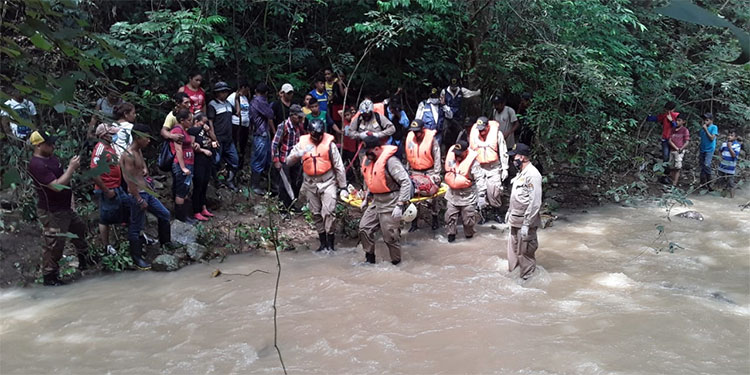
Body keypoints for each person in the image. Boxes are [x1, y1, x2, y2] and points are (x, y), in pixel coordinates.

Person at [27, 130, 87, 285]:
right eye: (49, 144)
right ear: (39, 146)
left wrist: (71, 201)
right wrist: (71, 168)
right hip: (52, 211)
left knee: (80, 230)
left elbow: (65, 182)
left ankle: (85, 260)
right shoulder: (37, 164)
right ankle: (49, 276)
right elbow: (56, 186)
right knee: (54, 244)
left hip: (65, 207)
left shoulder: (51, 158)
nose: (53, 146)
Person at [286, 119, 347, 251]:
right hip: (310, 182)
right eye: (315, 136)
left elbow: (339, 166)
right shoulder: (302, 143)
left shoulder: (330, 145)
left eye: (320, 135)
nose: (318, 138)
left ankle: (330, 244)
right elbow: (288, 161)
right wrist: (298, 154)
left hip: (327, 181)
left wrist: (343, 187)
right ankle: (322, 243)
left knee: (329, 212)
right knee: (316, 213)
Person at [121, 123, 173, 270]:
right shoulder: (129, 154)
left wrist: (144, 171)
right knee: (136, 227)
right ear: (138, 137)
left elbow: (143, 167)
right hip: (137, 194)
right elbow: (129, 180)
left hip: (146, 191)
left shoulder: (138, 151)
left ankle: (165, 244)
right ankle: (137, 258)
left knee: (164, 214)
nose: (149, 141)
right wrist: (138, 198)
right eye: (146, 138)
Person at [359, 136, 412, 265]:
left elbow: (406, 182)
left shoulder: (391, 162)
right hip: (376, 201)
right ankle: (369, 259)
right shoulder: (369, 160)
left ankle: (396, 263)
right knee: (364, 228)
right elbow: (372, 180)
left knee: (390, 236)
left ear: (377, 149)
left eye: (369, 152)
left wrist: (400, 205)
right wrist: (366, 198)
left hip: (392, 200)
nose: (367, 155)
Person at [506, 143, 542, 280]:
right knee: (513, 253)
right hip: (515, 219)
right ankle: (513, 279)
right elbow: (517, 196)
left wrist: (527, 223)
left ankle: (527, 282)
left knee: (525, 253)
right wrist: (509, 211)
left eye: (514, 156)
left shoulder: (533, 175)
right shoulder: (521, 172)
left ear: (522, 157)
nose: (512, 159)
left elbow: (535, 202)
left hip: (525, 222)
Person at [90, 123, 128, 253]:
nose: (114, 136)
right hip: (108, 188)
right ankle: (107, 246)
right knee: (105, 218)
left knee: (125, 208)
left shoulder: (109, 147)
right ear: (104, 135)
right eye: (112, 134)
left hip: (116, 186)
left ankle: (124, 239)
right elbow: (94, 172)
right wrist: (106, 190)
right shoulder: (100, 148)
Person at [469, 116, 509, 224]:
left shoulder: (497, 134)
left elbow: (503, 151)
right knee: (480, 191)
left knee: (495, 191)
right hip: (479, 166)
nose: (481, 131)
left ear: (488, 126)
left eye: (483, 129)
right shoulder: (474, 135)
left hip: (493, 166)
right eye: (479, 129)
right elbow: (470, 151)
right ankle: (484, 215)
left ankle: (496, 213)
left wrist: (505, 168)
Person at [404, 119, 441, 232]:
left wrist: (436, 173)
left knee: (432, 194)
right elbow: (408, 155)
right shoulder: (410, 138)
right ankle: (414, 222)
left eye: (417, 132)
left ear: (423, 130)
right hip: (415, 171)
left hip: (429, 171)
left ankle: (435, 217)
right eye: (414, 132)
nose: (415, 134)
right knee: (413, 194)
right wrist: (406, 172)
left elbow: (437, 156)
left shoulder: (431, 140)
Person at [444, 140, 484, 243]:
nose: (457, 155)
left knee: (468, 222)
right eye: (456, 153)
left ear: (466, 151)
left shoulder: (474, 163)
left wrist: (482, 196)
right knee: (450, 218)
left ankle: (469, 239)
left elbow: (480, 179)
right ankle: (451, 238)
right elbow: (449, 170)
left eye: (460, 153)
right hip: (452, 195)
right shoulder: (452, 158)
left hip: (468, 196)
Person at [271, 104, 306, 211]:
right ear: (292, 115)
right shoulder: (284, 126)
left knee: (296, 182)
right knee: (285, 185)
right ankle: (283, 208)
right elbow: (274, 144)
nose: (300, 119)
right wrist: (276, 160)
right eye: (298, 117)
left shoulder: (298, 126)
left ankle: (292, 205)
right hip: (285, 159)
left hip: (296, 159)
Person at [207, 81, 239, 191]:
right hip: (218, 137)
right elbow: (210, 121)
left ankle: (229, 181)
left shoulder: (228, 104)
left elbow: (237, 112)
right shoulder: (212, 105)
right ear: (217, 93)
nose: (225, 94)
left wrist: (236, 99)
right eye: (223, 92)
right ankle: (217, 181)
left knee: (234, 160)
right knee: (216, 160)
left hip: (229, 138)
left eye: (226, 91)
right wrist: (213, 136)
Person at [170, 108, 196, 223]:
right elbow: (178, 150)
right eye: (189, 120)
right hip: (182, 164)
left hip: (189, 163)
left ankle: (186, 216)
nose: (191, 122)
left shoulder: (184, 130)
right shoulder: (177, 131)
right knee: (181, 191)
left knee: (185, 190)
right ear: (182, 120)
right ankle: (181, 218)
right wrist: (183, 167)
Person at [249, 83, 276, 194]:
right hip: (261, 133)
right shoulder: (260, 101)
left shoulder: (253, 101)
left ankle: (263, 184)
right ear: (265, 93)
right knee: (259, 159)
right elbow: (270, 114)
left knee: (265, 159)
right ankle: (255, 185)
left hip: (258, 132)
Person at [188, 113, 215, 221]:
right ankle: (196, 210)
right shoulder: (193, 131)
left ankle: (203, 207)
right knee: (198, 185)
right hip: (198, 160)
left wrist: (208, 130)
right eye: (203, 122)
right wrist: (203, 150)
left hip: (207, 160)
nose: (204, 124)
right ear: (196, 121)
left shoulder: (205, 131)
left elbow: (214, 139)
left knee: (205, 184)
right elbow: (191, 145)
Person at [441, 77, 481, 147]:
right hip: (448, 118)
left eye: (455, 86)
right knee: (445, 132)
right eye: (452, 86)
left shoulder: (461, 90)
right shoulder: (444, 91)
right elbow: (442, 102)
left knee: (460, 133)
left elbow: (471, 93)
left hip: (458, 117)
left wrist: (479, 92)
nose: (453, 88)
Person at [228, 81, 252, 167]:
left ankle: (241, 163)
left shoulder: (245, 98)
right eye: (247, 89)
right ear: (242, 88)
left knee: (243, 145)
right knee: (236, 144)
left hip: (245, 125)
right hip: (236, 124)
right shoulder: (233, 97)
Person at [717, 130, 741, 198]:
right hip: (722, 166)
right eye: (729, 135)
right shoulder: (724, 144)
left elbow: (734, 156)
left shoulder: (737, 145)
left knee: (731, 183)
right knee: (720, 181)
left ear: (735, 137)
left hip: (731, 167)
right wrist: (720, 158)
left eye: (731, 135)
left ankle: (732, 198)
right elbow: (720, 151)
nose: (729, 137)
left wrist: (730, 147)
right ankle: (720, 197)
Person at [668, 114, 690, 186]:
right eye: (676, 120)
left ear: (683, 122)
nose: (677, 122)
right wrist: (676, 148)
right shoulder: (673, 129)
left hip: (679, 151)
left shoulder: (685, 130)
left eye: (679, 120)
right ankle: (671, 182)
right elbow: (670, 140)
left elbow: (687, 141)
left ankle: (674, 184)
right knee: (671, 167)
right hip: (672, 150)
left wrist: (681, 148)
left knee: (677, 167)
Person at [698, 112, 718, 188]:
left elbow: (712, 138)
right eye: (704, 119)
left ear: (711, 120)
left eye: (707, 119)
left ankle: (709, 182)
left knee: (707, 164)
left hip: (709, 149)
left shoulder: (714, 127)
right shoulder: (702, 129)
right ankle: (703, 183)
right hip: (702, 149)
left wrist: (706, 130)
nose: (705, 121)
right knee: (702, 166)